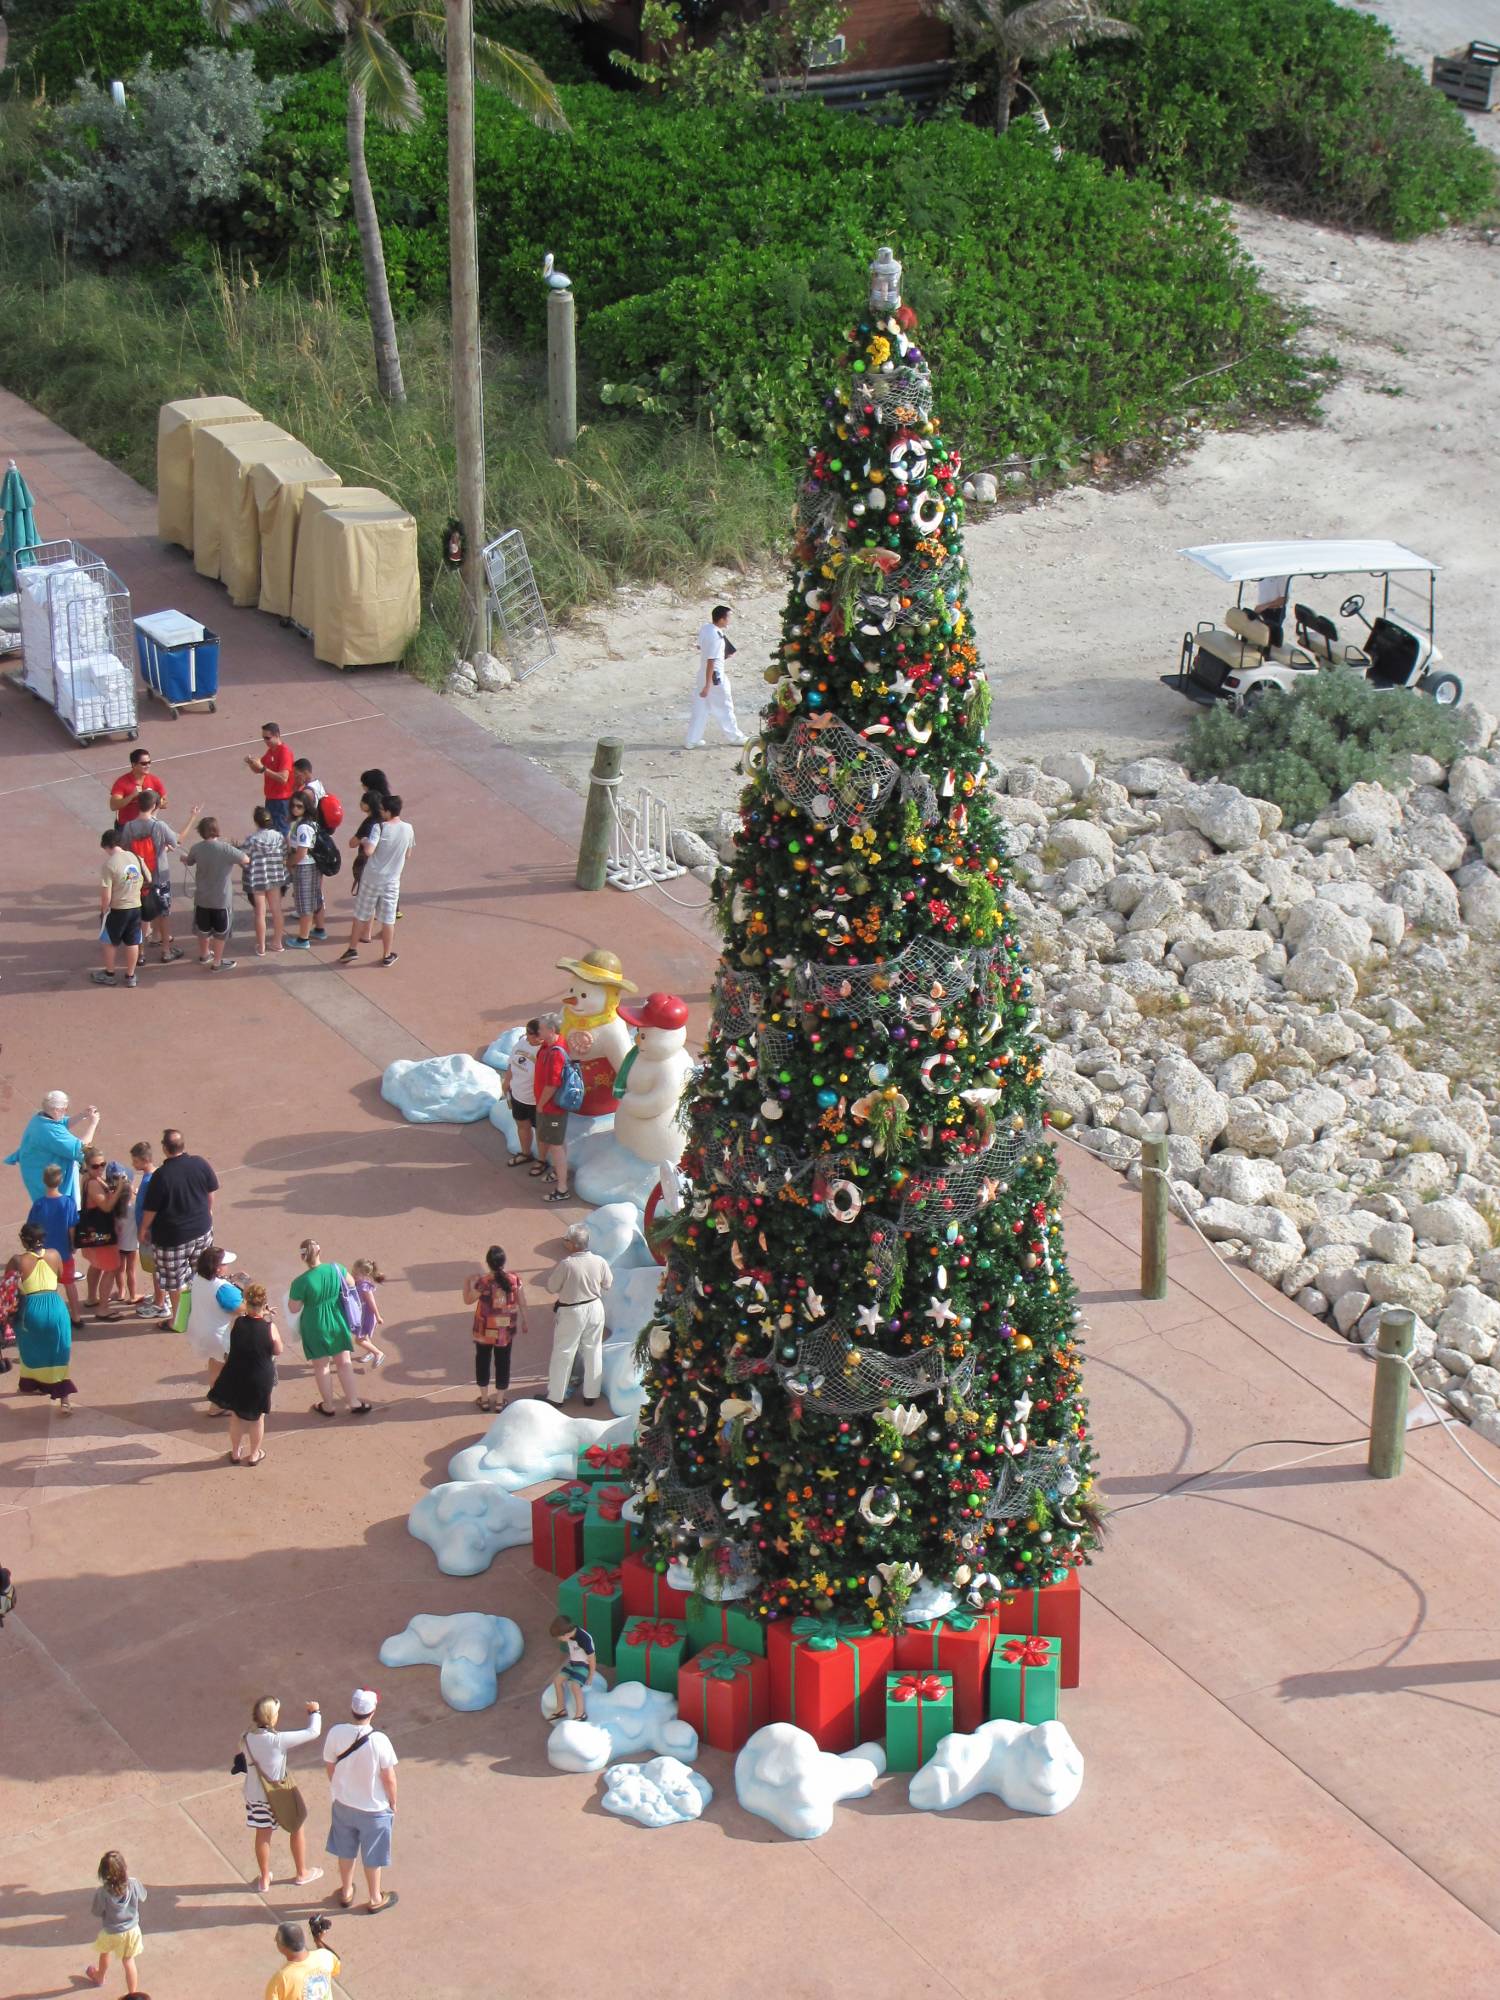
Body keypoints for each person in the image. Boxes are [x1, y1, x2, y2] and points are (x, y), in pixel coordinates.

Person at [239, 1695, 325, 1892]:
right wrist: (315, 1712)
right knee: (297, 1826)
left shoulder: (246, 1738)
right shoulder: (278, 1740)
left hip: (255, 1795)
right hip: (279, 1795)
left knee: (263, 1834)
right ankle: (302, 1873)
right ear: (271, 1717)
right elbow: (313, 1731)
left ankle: (264, 1879)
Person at [323, 1688, 397, 1914]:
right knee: (372, 1854)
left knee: (345, 1850)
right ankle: (375, 1897)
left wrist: (340, 1788)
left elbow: (330, 1765)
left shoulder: (336, 1733)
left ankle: (346, 1891)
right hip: (374, 1809)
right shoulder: (380, 1740)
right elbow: (388, 1777)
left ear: (352, 1709)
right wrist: (393, 1802)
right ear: (373, 1711)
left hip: (343, 1804)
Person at [140, 1128, 219, 1318]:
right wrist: (208, 1211)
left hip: (172, 1239)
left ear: (165, 1148)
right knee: (203, 1273)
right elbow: (211, 1192)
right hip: (202, 1231)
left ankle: (180, 1319)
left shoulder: (161, 1176)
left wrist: (143, 1229)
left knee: (174, 1281)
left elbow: (151, 1209)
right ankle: (204, 1312)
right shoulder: (200, 1163)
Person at [288, 1239, 370, 1419]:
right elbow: (350, 1283)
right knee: (344, 1362)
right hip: (336, 1318)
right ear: (319, 1251)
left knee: (321, 1366)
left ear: (303, 1257)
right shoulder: (336, 1268)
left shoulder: (300, 1282)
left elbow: (293, 1308)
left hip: (314, 1324)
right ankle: (354, 1401)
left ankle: (328, 1405)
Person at [121, 787, 197, 965]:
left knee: (139, 915)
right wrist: (192, 817)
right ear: (154, 805)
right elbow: (177, 840)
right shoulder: (159, 826)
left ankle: (140, 953)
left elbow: (125, 849)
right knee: (163, 914)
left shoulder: (129, 827)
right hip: (159, 876)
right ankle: (165, 950)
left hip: (137, 878)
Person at [210, 1283, 283, 1465]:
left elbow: (241, 1330)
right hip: (260, 1376)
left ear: (246, 1301)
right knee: (257, 1418)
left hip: (237, 1373)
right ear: (264, 1304)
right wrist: (265, 1317)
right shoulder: (269, 1328)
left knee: (236, 1416)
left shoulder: (237, 1322)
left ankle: (235, 1452)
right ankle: (254, 1454)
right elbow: (278, 1350)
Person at [336, 794, 412, 969]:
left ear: (386, 811)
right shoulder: (408, 829)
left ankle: (352, 949)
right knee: (388, 919)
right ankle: (387, 954)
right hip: (392, 881)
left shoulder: (379, 828)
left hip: (371, 878)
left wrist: (364, 841)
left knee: (361, 914)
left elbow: (369, 850)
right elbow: (408, 854)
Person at [542, 1221, 612, 1405]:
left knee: (564, 1352)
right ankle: (591, 1395)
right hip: (595, 1307)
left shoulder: (567, 1264)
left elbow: (551, 1287)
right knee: (593, 1350)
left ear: (573, 1244)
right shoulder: (600, 1261)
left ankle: (556, 1396)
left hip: (572, 1310)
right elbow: (608, 1284)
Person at [9, 1222, 77, 1410]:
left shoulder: (17, 1260)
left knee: (30, 1350)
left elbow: (8, 1287)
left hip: (30, 1309)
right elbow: (60, 1276)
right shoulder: (55, 1254)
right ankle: (64, 1400)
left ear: (23, 1240)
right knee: (59, 1352)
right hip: (56, 1307)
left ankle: (30, 1384)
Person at [463, 1244, 527, 1413]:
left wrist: (467, 1282)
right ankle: (499, 1401)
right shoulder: (514, 1279)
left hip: (484, 1330)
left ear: (488, 1262)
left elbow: (468, 1300)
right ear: (503, 1262)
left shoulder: (483, 1282)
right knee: (503, 1362)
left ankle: (484, 1400)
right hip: (505, 1331)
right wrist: (525, 1320)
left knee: (482, 1361)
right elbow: (522, 1300)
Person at [6, 1089, 99, 1203]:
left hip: (35, 1171)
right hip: (45, 1180)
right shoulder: (51, 1131)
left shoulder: (40, 1117)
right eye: (64, 1109)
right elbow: (80, 1149)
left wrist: (83, 1115)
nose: (65, 1111)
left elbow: (62, 1123)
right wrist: (93, 1123)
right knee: (58, 1209)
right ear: (55, 1110)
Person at [184, 815, 248, 970]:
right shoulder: (225, 849)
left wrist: (183, 858)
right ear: (216, 830)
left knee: (203, 929)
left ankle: (204, 954)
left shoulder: (197, 848)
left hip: (202, 899)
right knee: (221, 932)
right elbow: (245, 859)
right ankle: (217, 962)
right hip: (221, 899)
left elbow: (189, 860)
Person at [182, 1244, 243, 1399]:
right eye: (225, 1264)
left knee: (215, 1363)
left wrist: (230, 1280)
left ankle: (215, 1395)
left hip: (200, 1329)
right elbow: (241, 1309)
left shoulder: (198, 1277)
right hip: (219, 1336)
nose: (228, 1266)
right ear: (217, 1269)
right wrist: (247, 1287)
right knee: (229, 1369)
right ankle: (218, 1404)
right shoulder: (223, 1289)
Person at [684, 603, 746, 749]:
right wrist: (707, 685)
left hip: (703, 673)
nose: (730, 620)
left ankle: (692, 740)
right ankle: (735, 737)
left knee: (701, 708)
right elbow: (711, 660)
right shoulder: (717, 636)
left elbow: (701, 647)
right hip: (714, 676)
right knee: (725, 706)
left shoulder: (706, 629)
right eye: (728, 617)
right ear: (722, 619)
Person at [76, 1151, 129, 1320]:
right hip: (102, 1233)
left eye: (102, 1165)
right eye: (95, 1166)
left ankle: (92, 1298)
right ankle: (103, 1308)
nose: (100, 1169)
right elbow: (106, 1207)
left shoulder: (91, 1179)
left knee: (96, 1265)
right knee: (112, 1267)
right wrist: (119, 1189)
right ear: (87, 1166)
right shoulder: (92, 1183)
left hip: (94, 1232)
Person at [84, 1849, 145, 1994]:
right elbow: (143, 1896)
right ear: (124, 1867)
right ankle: (133, 1994)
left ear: (103, 1874)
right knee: (129, 1961)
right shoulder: (133, 1883)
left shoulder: (102, 1892)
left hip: (111, 1931)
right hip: (132, 1930)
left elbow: (97, 1912)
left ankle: (99, 1977)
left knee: (105, 1953)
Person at [26, 1161, 81, 1320]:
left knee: (49, 1288)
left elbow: (31, 1227)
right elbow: (72, 1227)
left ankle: (52, 1316)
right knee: (70, 1283)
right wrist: (73, 1245)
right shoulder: (68, 1202)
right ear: (61, 1181)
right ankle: (76, 1316)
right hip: (63, 1251)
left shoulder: (39, 1204)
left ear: (44, 1180)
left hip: (44, 1254)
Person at [93, 828, 146, 988]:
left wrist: (104, 910)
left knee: (109, 941)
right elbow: (147, 877)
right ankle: (130, 975)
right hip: (136, 906)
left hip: (118, 908)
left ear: (107, 845)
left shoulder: (109, 865)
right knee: (132, 942)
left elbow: (106, 895)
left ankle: (109, 973)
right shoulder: (135, 857)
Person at [532, 1014, 572, 1202]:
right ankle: (559, 1172)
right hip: (551, 1107)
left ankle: (562, 1189)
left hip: (551, 1109)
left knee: (555, 1147)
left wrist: (540, 1104)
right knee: (559, 1143)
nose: (538, 1031)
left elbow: (552, 1084)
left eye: (540, 1028)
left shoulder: (556, 1052)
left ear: (551, 1030)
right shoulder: (549, 1045)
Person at [128, 1141, 169, 1318]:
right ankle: (163, 1297)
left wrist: (143, 1230)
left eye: (135, 1161)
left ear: (144, 1160)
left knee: (156, 1269)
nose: (133, 1164)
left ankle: (160, 1304)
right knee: (158, 1269)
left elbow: (148, 1208)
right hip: (155, 1230)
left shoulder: (148, 1181)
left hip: (150, 1233)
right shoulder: (155, 1177)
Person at [283, 789, 328, 950]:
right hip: (313, 865)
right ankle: (320, 929)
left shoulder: (303, 827)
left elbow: (301, 852)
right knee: (316, 898)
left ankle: (303, 938)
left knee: (304, 904)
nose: (295, 809)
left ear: (306, 807)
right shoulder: (310, 823)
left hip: (305, 867)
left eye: (299, 806)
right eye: (293, 806)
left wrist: (289, 863)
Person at [242, 804, 289, 956]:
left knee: (260, 914)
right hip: (275, 876)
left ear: (256, 822)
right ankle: (277, 942)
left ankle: (261, 946)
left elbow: (243, 858)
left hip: (258, 879)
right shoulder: (279, 837)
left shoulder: (251, 840)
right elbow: (284, 853)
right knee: (277, 910)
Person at [265, 1916, 339, 2000]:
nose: (275, 1940)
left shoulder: (281, 1980)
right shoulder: (325, 1956)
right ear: (304, 1938)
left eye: (276, 1939)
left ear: (283, 1947)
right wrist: (318, 1940)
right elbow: (335, 1960)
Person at [246, 721, 296, 832]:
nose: (265, 741)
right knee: (271, 830)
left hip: (282, 800)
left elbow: (284, 778)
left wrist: (263, 769)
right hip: (271, 799)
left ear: (277, 735)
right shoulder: (270, 752)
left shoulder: (284, 752)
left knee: (281, 832)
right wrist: (251, 764)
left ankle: (284, 849)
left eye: (268, 738)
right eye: (263, 738)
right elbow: (258, 769)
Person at [504, 1019, 541, 1169]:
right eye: (533, 1035)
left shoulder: (545, 1050)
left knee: (540, 1131)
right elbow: (511, 1063)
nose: (538, 1038)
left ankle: (542, 1160)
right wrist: (507, 1082)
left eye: (540, 1034)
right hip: (518, 1094)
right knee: (522, 1125)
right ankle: (526, 1154)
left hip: (535, 1100)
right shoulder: (520, 1044)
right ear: (527, 1033)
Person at [548, 1614, 598, 1721]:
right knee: (557, 1681)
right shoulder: (570, 1636)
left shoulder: (584, 1639)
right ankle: (560, 1709)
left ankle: (580, 1713)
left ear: (566, 1634)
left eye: (559, 1637)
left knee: (574, 1685)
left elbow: (592, 1658)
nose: (559, 1640)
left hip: (584, 1664)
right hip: (573, 1663)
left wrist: (591, 1675)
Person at [109, 747, 165, 826]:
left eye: (149, 762)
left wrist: (157, 801)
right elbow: (113, 806)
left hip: (147, 826)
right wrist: (132, 796)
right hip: (126, 827)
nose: (148, 766)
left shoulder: (154, 780)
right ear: (134, 765)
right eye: (144, 764)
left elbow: (165, 803)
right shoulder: (122, 782)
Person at [348, 1258, 386, 1370]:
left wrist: (378, 1316)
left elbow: (372, 1302)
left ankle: (378, 1353)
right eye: (353, 1272)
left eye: (356, 1273)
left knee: (359, 1339)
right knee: (363, 1336)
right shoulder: (357, 1282)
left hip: (367, 1316)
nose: (353, 1275)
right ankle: (370, 1352)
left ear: (365, 1275)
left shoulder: (364, 1286)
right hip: (361, 1314)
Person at [1252, 574, 1290, 649]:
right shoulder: (1263, 573)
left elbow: (1284, 599)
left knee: (1271, 642)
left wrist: (1265, 606)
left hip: (1274, 612)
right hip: (1262, 610)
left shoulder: (1281, 576)